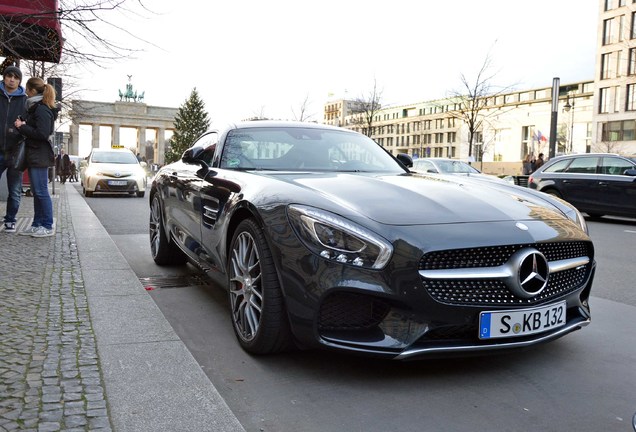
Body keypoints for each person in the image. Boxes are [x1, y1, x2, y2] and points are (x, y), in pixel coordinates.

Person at [14, 77, 57, 237]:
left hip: (39, 154)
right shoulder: (36, 107)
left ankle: (47, 225)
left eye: (26, 88)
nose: (25, 91)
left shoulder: (41, 109)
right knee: (37, 191)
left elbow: (42, 133)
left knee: (41, 191)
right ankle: (37, 224)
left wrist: (23, 127)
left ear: (31, 90)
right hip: (35, 153)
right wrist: (22, 125)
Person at [0, 65, 27, 233]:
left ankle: (10, 220)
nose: (12, 79)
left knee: (15, 190)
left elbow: (30, 122)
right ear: (4, 77)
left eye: (15, 77)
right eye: (9, 76)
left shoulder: (24, 100)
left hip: (15, 151)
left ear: (19, 81)